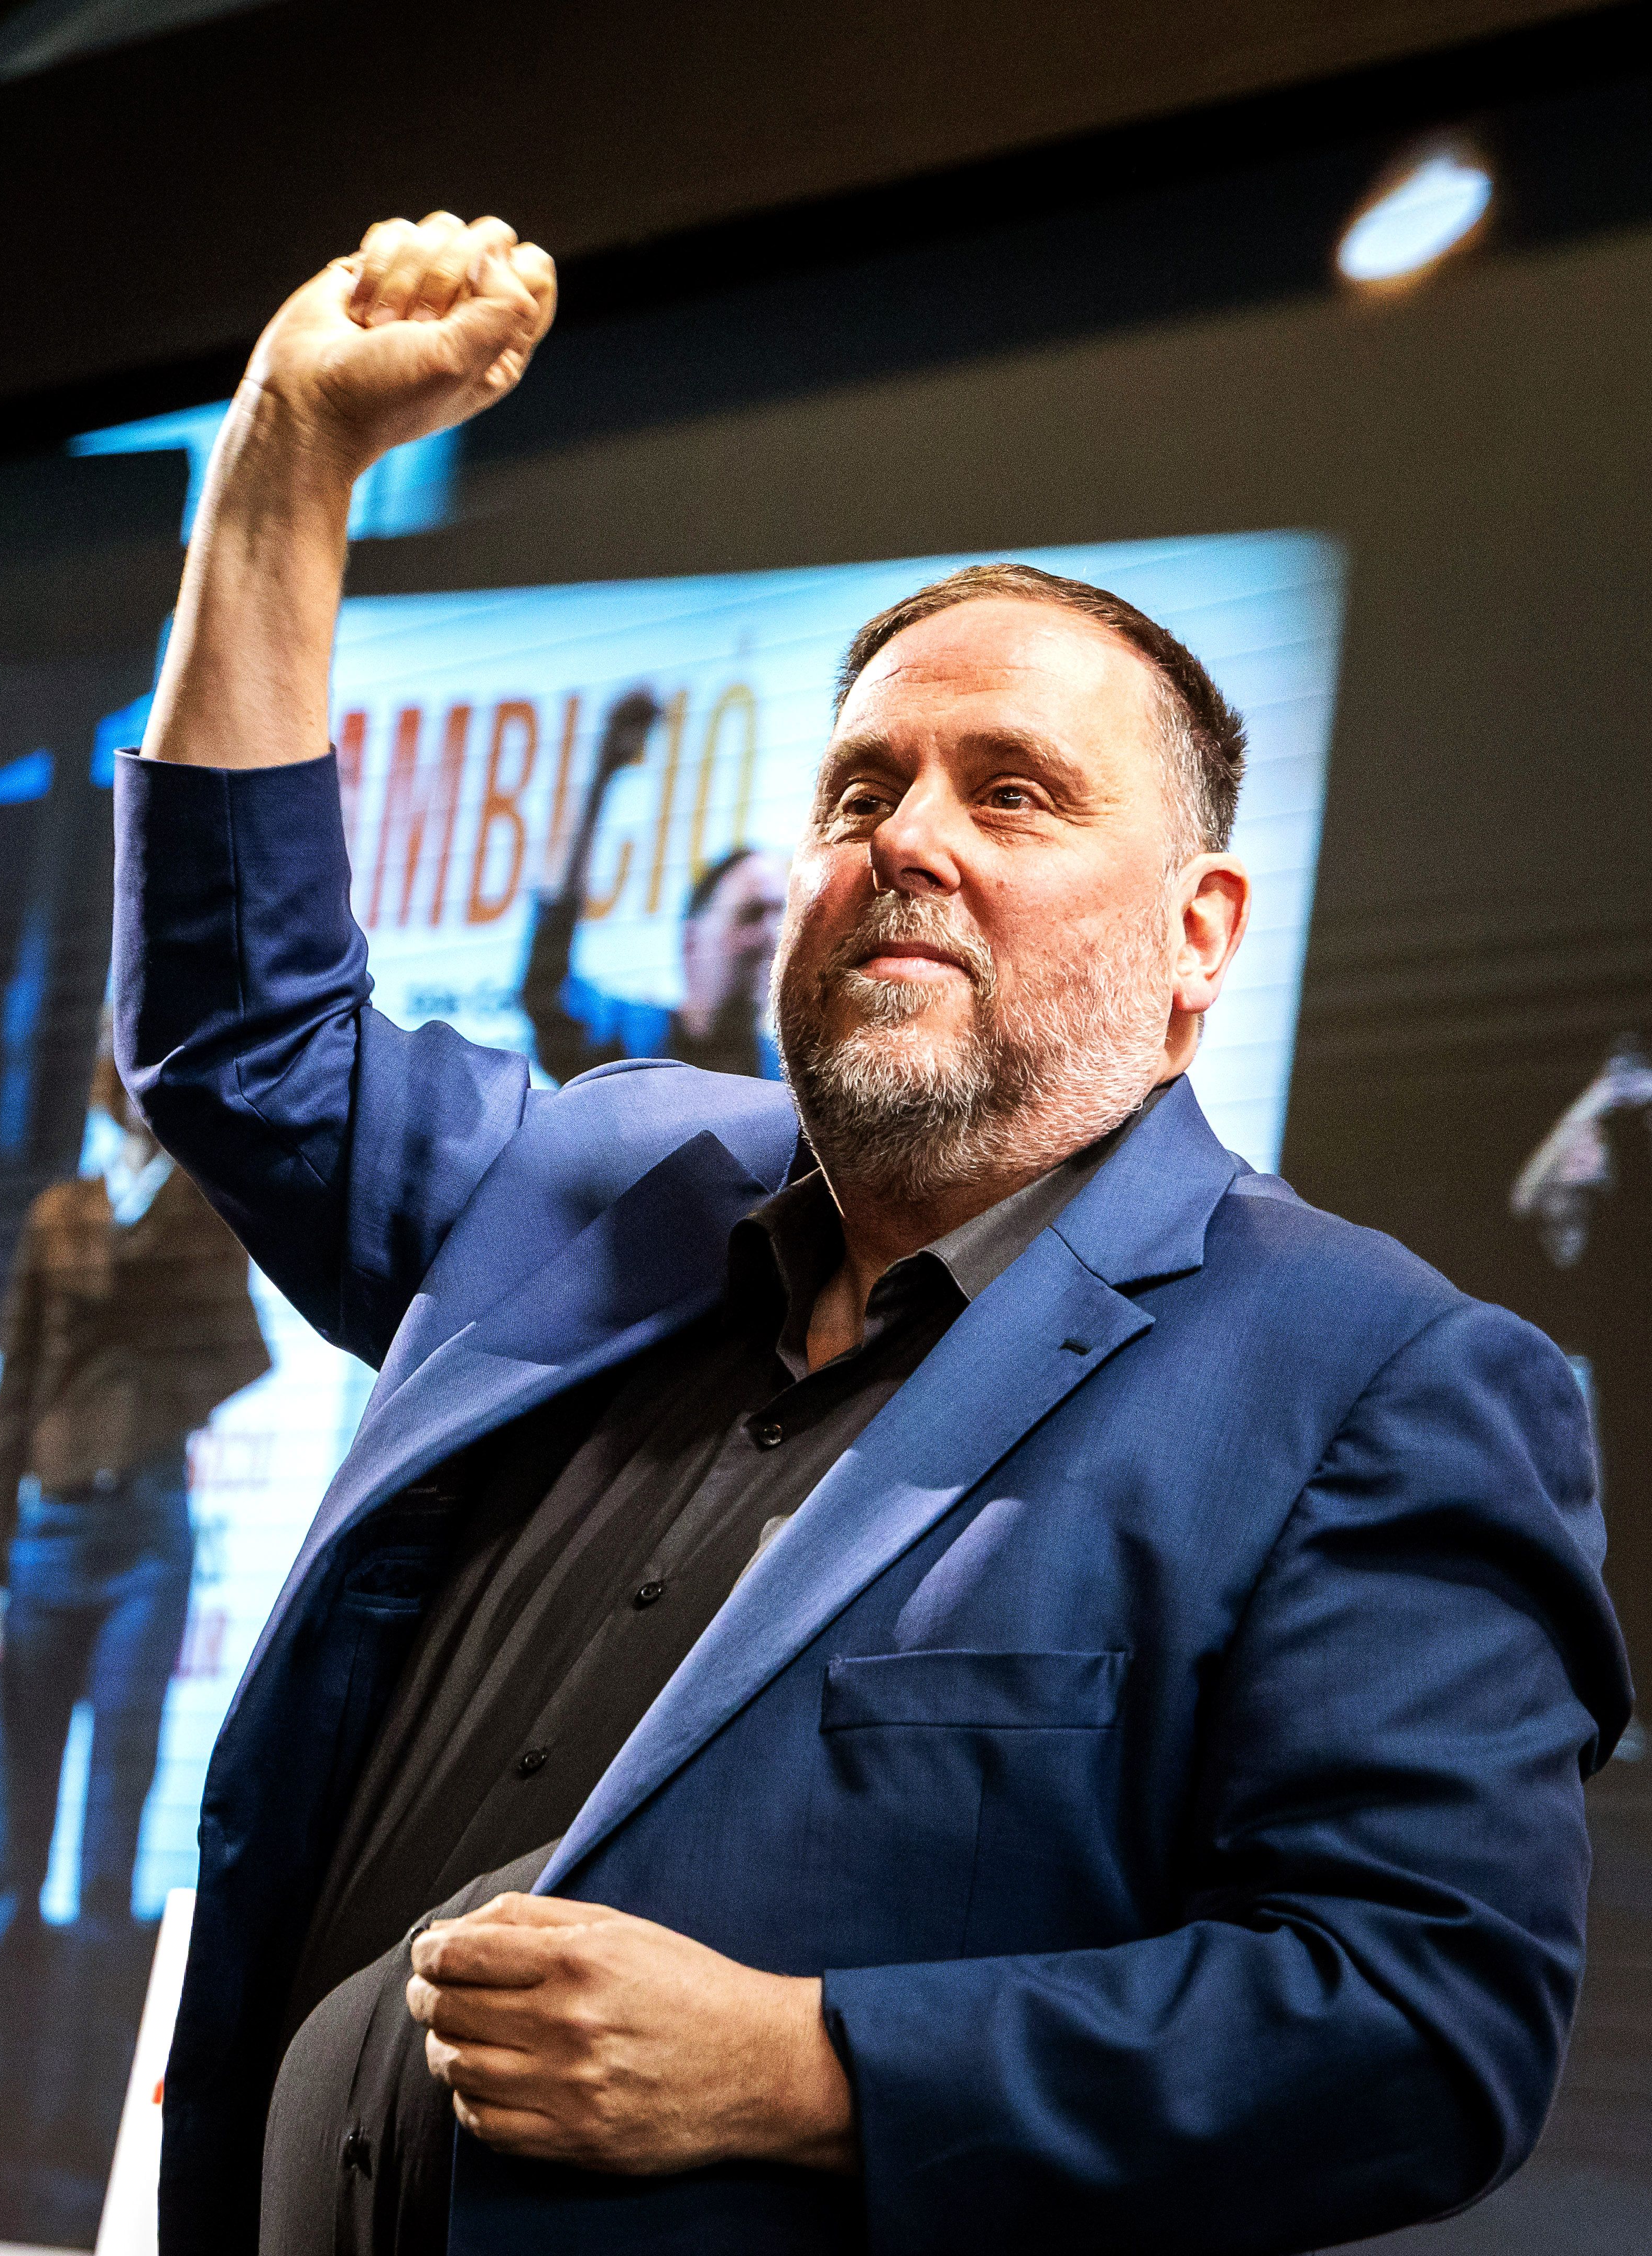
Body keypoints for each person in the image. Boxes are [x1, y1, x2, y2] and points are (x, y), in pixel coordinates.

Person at [116, 211, 1628, 2256]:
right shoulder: (602, 1181)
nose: (905, 833)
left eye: (1013, 793)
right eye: (859, 789)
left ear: (1202, 939)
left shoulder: (1371, 1375)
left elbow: (1421, 2017)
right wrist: (284, 463)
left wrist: (811, 2061)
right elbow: (241, 1031)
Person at [0, 1046, 269, 2175]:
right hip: (46, 1536)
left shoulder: (198, 1209)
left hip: (147, 1537)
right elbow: (9, 1385)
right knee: (16, 1843)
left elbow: (244, 1349)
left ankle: (77, 2124)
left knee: (108, 1841)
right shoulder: (62, 1212)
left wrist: (149, 1392)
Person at [517, 682, 785, 1081]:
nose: (771, 935)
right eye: (749, 915)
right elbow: (547, 988)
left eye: (782, 918)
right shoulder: (625, 1049)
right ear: (691, 942)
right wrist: (600, 780)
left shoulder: (789, 1088)